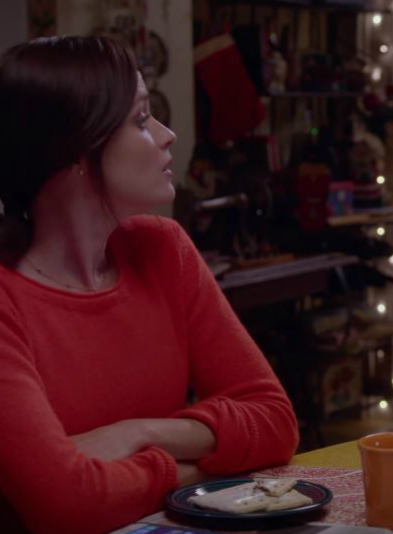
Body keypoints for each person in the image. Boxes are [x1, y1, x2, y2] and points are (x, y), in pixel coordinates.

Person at [0, 36, 298, 533]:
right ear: (77, 149)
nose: (167, 135)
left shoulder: (163, 248)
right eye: (141, 119)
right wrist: (193, 474)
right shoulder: (8, 299)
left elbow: (275, 422)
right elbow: (67, 506)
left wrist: (135, 435)